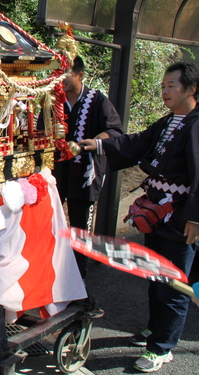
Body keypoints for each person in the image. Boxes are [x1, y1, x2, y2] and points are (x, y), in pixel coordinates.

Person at [79, 62, 199, 373]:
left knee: (173, 282)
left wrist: (196, 218)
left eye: (172, 85)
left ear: (191, 89)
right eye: (163, 85)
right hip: (156, 212)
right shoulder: (168, 122)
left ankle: (163, 347)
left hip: (181, 215)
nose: (165, 91)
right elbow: (137, 143)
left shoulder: (197, 124)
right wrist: (100, 143)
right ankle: (154, 329)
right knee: (154, 274)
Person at [39, 56, 123, 278]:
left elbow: (114, 131)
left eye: (65, 74)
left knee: (80, 223)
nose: (61, 80)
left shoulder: (97, 100)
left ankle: (78, 274)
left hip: (84, 170)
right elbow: (39, 131)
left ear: (80, 75)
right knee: (48, 217)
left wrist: (95, 142)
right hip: (55, 170)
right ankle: (49, 269)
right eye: (57, 75)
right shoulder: (53, 101)